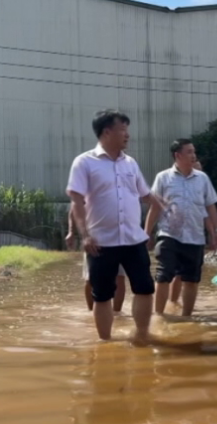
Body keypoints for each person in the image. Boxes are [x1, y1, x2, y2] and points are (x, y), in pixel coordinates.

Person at [66, 109, 163, 342]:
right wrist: (84, 235)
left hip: (132, 239)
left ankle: (141, 335)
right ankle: (105, 344)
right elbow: (76, 201)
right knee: (102, 295)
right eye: (123, 130)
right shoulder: (84, 162)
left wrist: (157, 204)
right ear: (106, 132)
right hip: (101, 241)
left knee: (145, 288)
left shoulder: (130, 163)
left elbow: (145, 194)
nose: (127, 135)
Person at [145, 140, 217, 318]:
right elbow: (155, 207)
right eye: (189, 152)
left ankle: (187, 317)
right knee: (163, 275)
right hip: (169, 234)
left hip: (195, 237)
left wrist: (215, 232)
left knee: (191, 279)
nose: (193, 155)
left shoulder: (202, 179)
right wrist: (146, 232)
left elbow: (210, 206)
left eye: (194, 151)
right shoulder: (163, 177)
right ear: (177, 155)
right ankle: (159, 317)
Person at [66, 205, 127, 313]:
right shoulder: (88, 189)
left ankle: (117, 314)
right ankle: (91, 312)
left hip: (118, 238)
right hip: (94, 238)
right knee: (90, 279)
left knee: (120, 277)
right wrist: (71, 232)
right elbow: (74, 208)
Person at [168, 158, 212, 307]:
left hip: (196, 237)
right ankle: (172, 302)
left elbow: (206, 213)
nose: (197, 173)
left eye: (200, 170)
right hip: (177, 236)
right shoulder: (174, 183)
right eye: (195, 169)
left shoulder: (201, 186)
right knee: (177, 274)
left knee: (192, 276)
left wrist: (212, 232)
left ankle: (185, 305)